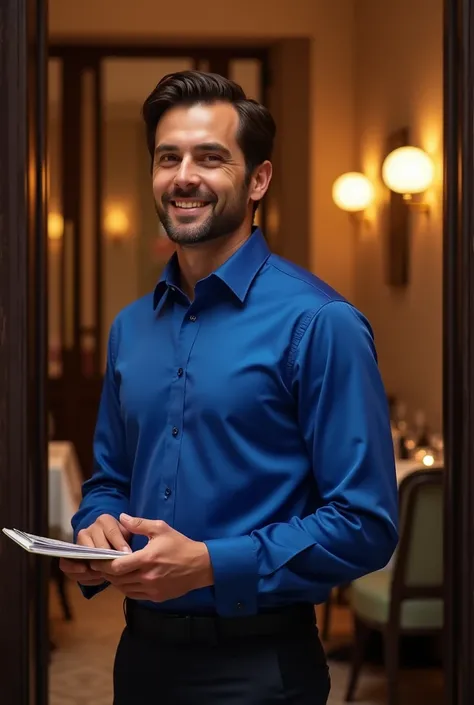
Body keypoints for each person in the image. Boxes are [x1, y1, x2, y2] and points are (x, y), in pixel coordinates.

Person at [60, 70, 398, 705]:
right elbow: (107, 476)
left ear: (259, 180)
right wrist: (94, 527)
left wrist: (212, 563)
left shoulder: (320, 324)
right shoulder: (130, 329)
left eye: (210, 157)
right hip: (139, 660)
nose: (184, 176)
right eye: (168, 157)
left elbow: (366, 525)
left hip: (260, 669)